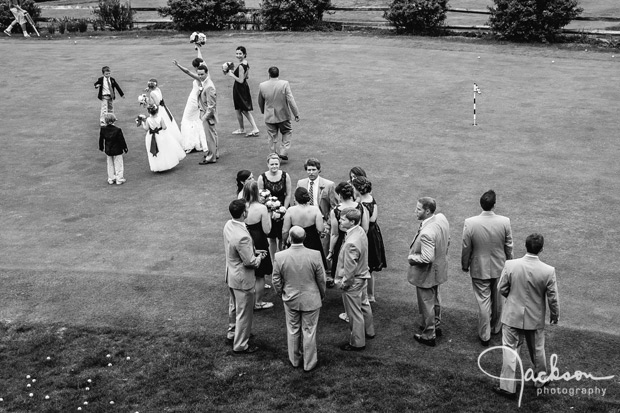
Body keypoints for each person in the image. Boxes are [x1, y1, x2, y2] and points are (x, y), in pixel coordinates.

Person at [494, 233, 560, 399]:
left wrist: (512, 297)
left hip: (511, 315)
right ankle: (541, 380)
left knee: (509, 350)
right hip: (535, 318)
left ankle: (508, 388)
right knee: (537, 349)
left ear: (525, 246)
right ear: (541, 249)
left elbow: (501, 288)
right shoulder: (548, 271)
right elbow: (553, 298)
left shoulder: (511, 265)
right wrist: (554, 315)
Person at [461, 189, 513, 347]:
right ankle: (496, 328)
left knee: (483, 302)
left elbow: (466, 247)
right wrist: (509, 264)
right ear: (494, 205)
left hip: (479, 268)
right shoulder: (505, 221)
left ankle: (485, 335)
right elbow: (509, 246)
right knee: (498, 300)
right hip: (499, 267)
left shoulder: (470, 222)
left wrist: (465, 265)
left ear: (481, 204)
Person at [272, 226, 326, 372]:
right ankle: (309, 363)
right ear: (304, 238)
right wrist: (322, 293)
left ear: (289, 238)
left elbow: (276, 279)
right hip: (311, 297)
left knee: (293, 329)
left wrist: (280, 293)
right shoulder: (315, 254)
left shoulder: (280, 256)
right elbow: (321, 279)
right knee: (309, 331)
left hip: (290, 297)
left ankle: (295, 360)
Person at [223, 199, 266, 354]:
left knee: (234, 307)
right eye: (247, 209)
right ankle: (241, 344)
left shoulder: (229, 225)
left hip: (231, 275)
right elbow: (250, 263)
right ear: (243, 213)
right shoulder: (243, 237)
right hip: (242, 279)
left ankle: (233, 333)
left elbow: (237, 250)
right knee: (244, 313)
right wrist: (259, 258)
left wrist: (253, 251)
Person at [407, 197, 450, 347]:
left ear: (427, 211)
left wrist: (411, 258)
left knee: (427, 303)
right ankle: (435, 325)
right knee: (435, 298)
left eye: (418, 209)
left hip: (427, 273)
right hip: (439, 269)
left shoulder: (427, 233)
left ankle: (429, 334)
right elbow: (448, 240)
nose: (415, 211)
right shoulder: (441, 218)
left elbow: (426, 257)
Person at [334, 208, 375, 351]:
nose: (339, 220)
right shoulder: (360, 231)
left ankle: (357, 343)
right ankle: (369, 332)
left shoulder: (351, 242)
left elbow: (349, 270)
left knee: (354, 313)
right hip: (363, 276)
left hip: (354, 280)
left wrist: (344, 284)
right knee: (364, 304)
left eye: (343, 219)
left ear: (352, 222)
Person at [295, 158, 338, 272]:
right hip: (306, 221)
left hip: (323, 221)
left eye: (314, 169)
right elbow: (296, 202)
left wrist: (328, 222)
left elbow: (335, 206)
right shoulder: (301, 183)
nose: (311, 172)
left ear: (319, 170)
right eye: (308, 170)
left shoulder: (329, 185)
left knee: (323, 248)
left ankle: (326, 271)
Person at [328, 182, 368, 293]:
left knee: (344, 268)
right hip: (358, 238)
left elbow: (334, 234)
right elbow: (365, 228)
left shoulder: (335, 211)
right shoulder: (360, 206)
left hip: (342, 241)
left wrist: (331, 251)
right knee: (358, 267)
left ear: (340, 195)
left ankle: (347, 292)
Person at [351, 176, 387, 303]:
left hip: (367, 235)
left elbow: (367, 222)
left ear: (358, 189)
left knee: (365, 267)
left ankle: (364, 296)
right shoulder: (371, 199)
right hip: (375, 232)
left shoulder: (362, 205)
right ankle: (371, 296)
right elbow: (374, 218)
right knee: (371, 269)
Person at [242, 181, 274, 311]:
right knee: (260, 275)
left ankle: (246, 300)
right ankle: (258, 303)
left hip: (244, 238)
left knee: (247, 270)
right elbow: (267, 230)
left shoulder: (241, 205)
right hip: (258, 239)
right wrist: (270, 215)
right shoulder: (261, 208)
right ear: (257, 192)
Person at [257, 66, 299, 161]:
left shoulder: (262, 85)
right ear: (278, 74)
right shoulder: (284, 84)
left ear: (269, 74)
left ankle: (272, 155)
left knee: (271, 136)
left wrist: (263, 111)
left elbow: (260, 100)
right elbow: (290, 100)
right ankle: (283, 151)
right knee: (287, 131)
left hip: (269, 116)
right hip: (283, 115)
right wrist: (296, 113)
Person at [172, 46, 208, 153]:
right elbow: (201, 58)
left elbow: (187, 72)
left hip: (193, 101)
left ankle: (189, 144)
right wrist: (198, 48)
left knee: (186, 120)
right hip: (197, 101)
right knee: (196, 121)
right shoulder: (205, 73)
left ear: (196, 67)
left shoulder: (199, 77)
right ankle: (198, 143)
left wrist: (178, 65)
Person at [282, 187, 327, 271]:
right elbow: (320, 229)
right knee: (314, 268)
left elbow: (285, 230)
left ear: (295, 198)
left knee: (295, 267)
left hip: (295, 240)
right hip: (313, 241)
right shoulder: (315, 209)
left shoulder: (290, 210)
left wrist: (284, 242)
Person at [257, 153, 291, 260]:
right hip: (268, 211)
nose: (274, 166)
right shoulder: (262, 177)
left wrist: (283, 210)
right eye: (272, 164)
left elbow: (288, 194)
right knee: (272, 238)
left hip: (283, 208)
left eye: (276, 164)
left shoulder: (285, 176)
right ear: (267, 164)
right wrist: (270, 210)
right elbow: (260, 196)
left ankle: (282, 259)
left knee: (282, 236)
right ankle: (273, 261)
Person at [139, 104, 186, 172]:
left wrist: (142, 123)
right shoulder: (160, 118)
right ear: (157, 111)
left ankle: (158, 166)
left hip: (151, 136)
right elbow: (164, 127)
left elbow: (146, 129)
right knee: (164, 149)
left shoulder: (148, 120)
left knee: (156, 151)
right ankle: (166, 164)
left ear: (149, 112)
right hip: (161, 135)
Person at [227, 46, 260, 137]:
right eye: (237, 53)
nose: (238, 55)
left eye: (240, 54)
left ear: (244, 54)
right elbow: (247, 77)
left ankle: (255, 128)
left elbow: (240, 80)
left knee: (244, 110)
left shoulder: (241, 66)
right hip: (243, 87)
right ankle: (241, 129)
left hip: (240, 88)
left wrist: (231, 74)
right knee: (238, 109)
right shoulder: (245, 63)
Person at [144, 78, 185, 150]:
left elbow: (156, 103)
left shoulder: (152, 93)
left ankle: (164, 142)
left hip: (159, 109)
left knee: (158, 124)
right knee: (169, 123)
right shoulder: (158, 89)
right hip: (164, 109)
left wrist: (147, 101)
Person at [196, 64, 219, 164]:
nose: (200, 76)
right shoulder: (205, 82)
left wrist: (204, 117)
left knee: (209, 136)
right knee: (212, 134)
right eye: (199, 74)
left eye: (202, 74)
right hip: (205, 112)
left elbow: (211, 106)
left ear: (206, 73)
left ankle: (211, 157)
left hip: (207, 114)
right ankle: (214, 153)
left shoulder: (209, 86)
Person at [98, 113, 128, 185]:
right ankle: (119, 178)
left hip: (108, 149)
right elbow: (121, 140)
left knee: (110, 164)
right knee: (118, 164)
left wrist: (101, 147)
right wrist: (125, 147)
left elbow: (101, 139)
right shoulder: (117, 130)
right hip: (117, 149)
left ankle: (111, 178)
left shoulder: (103, 129)